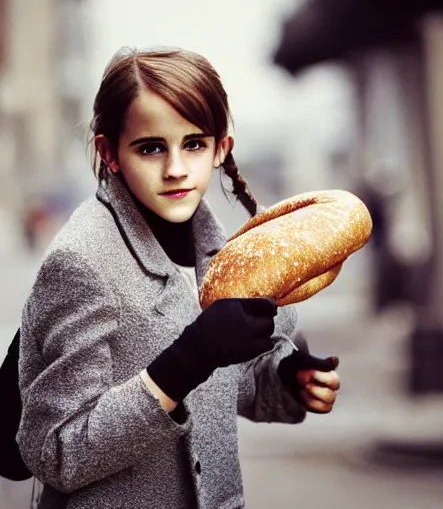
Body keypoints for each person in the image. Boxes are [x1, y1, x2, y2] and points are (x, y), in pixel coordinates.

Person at [17, 46, 340, 509]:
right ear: (109, 152)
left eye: (193, 144)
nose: (175, 169)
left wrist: (285, 379)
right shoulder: (80, 261)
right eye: (151, 147)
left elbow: (226, 387)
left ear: (220, 148)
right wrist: (189, 357)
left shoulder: (219, 252)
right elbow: (56, 451)